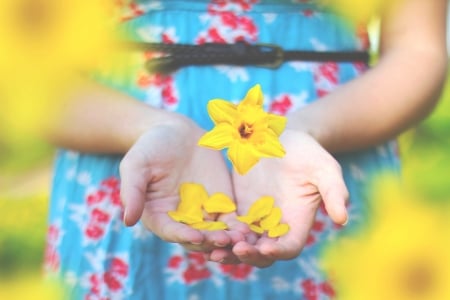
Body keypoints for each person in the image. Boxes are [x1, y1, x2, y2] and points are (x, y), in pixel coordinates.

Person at [42, 0, 448, 299]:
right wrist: (150, 126)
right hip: (129, 162)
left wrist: (301, 130)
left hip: (324, 162)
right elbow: (26, 69)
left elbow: (419, 50)